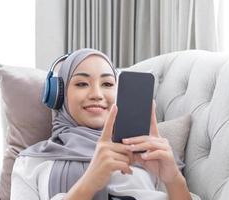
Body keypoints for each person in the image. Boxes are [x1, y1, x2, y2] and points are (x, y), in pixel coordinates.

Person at [10, 48, 194, 200]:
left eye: (107, 84)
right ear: (59, 95)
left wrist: (174, 180)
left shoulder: (150, 155)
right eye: (82, 84)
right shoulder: (30, 163)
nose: (97, 94)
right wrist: (89, 183)